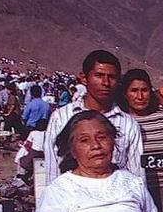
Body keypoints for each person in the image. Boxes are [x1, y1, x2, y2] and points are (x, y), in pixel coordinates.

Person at [43, 50, 144, 184]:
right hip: (72, 200)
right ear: (84, 78)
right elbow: (53, 170)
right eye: (99, 75)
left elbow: (137, 175)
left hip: (116, 200)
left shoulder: (129, 124)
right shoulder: (61, 118)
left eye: (112, 77)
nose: (106, 83)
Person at [118, 69, 163, 212]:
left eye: (144, 90)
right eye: (134, 90)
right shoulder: (121, 121)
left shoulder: (162, 118)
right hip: (136, 190)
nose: (140, 96)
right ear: (125, 94)